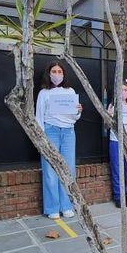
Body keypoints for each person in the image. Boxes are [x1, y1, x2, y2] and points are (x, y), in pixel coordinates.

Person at [36, 60, 83, 218]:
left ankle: (67, 205)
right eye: (54, 71)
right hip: (51, 131)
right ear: (49, 74)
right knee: (50, 170)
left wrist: (78, 111)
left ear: (64, 74)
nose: (57, 74)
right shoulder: (44, 93)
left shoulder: (70, 91)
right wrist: (41, 138)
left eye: (60, 72)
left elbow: (74, 117)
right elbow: (39, 117)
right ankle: (52, 208)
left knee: (69, 169)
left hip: (69, 132)